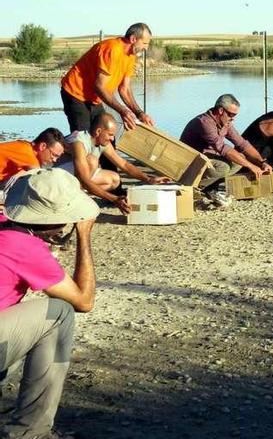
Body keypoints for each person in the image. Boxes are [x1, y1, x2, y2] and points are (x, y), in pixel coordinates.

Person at [0, 168, 99, 439]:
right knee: (58, 314)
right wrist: (84, 236)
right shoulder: (24, 247)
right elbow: (84, 300)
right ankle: (30, 431)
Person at [55, 113, 169, 215]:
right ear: (98, 131)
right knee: (92, 160)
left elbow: (123, 164)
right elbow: (84, 179)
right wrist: (114, 199)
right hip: (57, 178)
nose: (112, 138)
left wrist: (148, 179)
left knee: (114, 179)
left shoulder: (103, 143)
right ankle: (69, 199)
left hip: (77, 177)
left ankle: (76, 197)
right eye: (110, 134)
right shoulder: (79, 143)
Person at [179, 94, 272, 207]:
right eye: (231, 114)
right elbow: (222, 148)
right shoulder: (204, 122)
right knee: (223, 167)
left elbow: (242, 143)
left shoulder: (225, 123)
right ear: (221, 110)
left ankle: (210, 187)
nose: (233, 118)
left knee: (240, 159)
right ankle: (192, 188)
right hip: (190, 160)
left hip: (206, 156)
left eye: (235, 115)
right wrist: (250, 166)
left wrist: (261, 162)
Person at [60, 23, 154, 132]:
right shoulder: (112, 49)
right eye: (145, 43)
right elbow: (99, 86)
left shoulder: (131, 56)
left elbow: (124, 89)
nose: (146, 48)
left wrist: (139, 113)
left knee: (105, 132)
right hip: (75, 92)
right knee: (83, 137)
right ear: (133, 39)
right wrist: (123, 111)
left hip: (94, 98)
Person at [0, 128, 66, 201]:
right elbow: (43, 179)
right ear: (42, 146)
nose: (54, 160)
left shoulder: (26, 147)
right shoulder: (28, 155)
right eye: (54, 155)